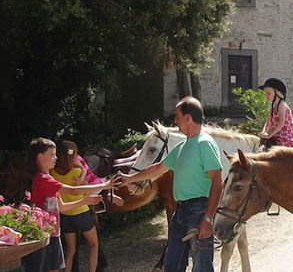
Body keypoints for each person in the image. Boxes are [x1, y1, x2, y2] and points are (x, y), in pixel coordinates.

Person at [119, 96, 223, 272]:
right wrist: (129, 179)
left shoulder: (205, 144)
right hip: (180, 211)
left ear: (188, 118)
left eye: (178, 116)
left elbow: (217, 182)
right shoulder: (182, 146)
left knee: (202, 266)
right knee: (172, 264)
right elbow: (158, 168)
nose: (175, 121)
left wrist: (207, 218)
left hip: (199, 211)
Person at [23, 137, 119, 272]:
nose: (56, 158)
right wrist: (105, 185)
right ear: (40, 157)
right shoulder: (42, 179)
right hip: (42, 236)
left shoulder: (50, 177)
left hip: (54, 234)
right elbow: (72, 190)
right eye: (52, 155)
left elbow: (61, 208)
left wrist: (84, 201)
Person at [50, 140, 122, 272]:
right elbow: (87, 188)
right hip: (82, 214)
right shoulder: (76, 171)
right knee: (94, 245)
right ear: (73, 155)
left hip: (65, 215)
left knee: (71, 251)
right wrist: (83, 170)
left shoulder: (52, 173)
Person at [258, 78, 293, 149]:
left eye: (268, 93)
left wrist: (269, 135)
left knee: (280, 151)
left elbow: (281, 124)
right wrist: (264, 131)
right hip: (276, 134)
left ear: (277, 93)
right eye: (265, 94)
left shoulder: (282, 105)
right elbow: (268, 121)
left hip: (285, 135)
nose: (266, 96)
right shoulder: (273, 106)